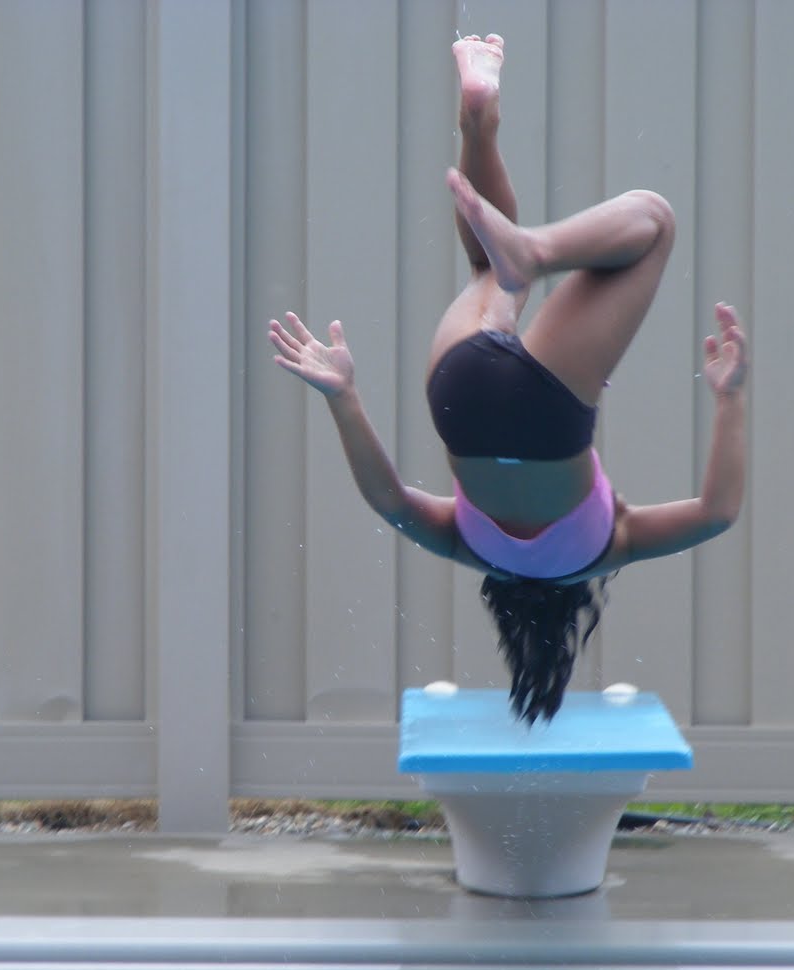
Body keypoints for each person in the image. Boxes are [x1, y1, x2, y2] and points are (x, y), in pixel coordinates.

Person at [269, 33, 747, 723]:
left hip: (548, 415)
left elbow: (718, 513)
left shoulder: (607, 549)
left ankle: (537, 247)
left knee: (653, 222)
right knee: (490, 271)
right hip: (457, 395)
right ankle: (478, 121)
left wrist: (729, 400)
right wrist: (345, 397)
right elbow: (389, 499)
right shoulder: (468, 547)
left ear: (578, 606)